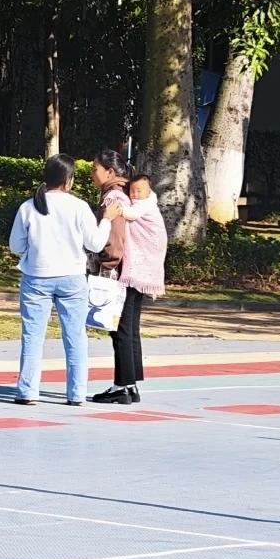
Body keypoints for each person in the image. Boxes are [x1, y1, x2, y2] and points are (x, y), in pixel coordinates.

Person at [9, 154, 106, 407]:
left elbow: (15, 245)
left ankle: (27, 391)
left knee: (32, 336)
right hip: (72, 278)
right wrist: (106, 220)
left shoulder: (29, 206)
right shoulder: (79, 207)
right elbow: (95, 243)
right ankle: (76, 394)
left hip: (36, 277)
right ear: (69, 181)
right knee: (75, 337)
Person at [90, 150, 167, 406]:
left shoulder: (113, 198)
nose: (92, 174)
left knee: (120, 330)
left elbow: (114, 237)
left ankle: (121, 386)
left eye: (95, 169)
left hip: (123, 271)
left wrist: (106, 266)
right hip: (139, 271)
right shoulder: (129, 194)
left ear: (110, 172)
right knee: (130, 329)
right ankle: (130, 384)